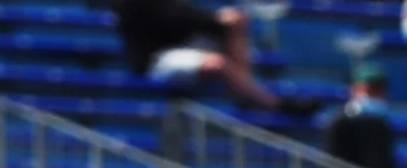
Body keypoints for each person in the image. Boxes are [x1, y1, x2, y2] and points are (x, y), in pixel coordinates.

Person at [111, 0, 283, 108]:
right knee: (216, 63)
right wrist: (215, 19)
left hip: (180, 47)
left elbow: (186, 19)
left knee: (235, 22)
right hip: (154, 61)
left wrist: (223, 20)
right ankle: (266, 101)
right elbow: (177, 18)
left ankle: (245, 88)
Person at [323, 56, 396, 168]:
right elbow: (334, 166)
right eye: (368, 89)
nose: (373, 95)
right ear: (355, 89)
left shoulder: (382, 123)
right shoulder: (340, 123)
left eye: (378, 90)